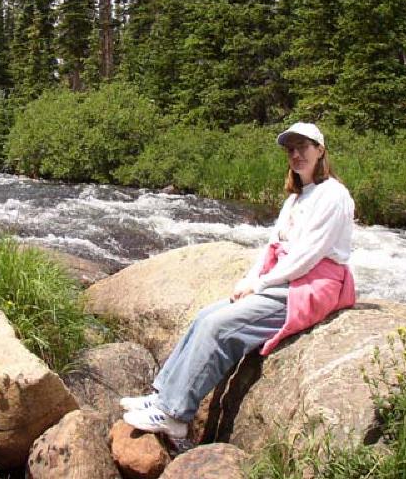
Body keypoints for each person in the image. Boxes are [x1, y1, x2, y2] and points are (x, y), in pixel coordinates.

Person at [121, 122, 356, 439]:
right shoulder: (295, 200)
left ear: (320, 150)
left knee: (218, 327)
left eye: (304, 147)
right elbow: (272, 248)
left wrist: (259, 286)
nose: (297, 154)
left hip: (309, 286)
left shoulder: (334, 196)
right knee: (206, 315)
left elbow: (307, 256)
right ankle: (161, 396)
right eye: (291, 149)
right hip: (286, 279)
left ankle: (175, 415)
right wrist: (249, 279)